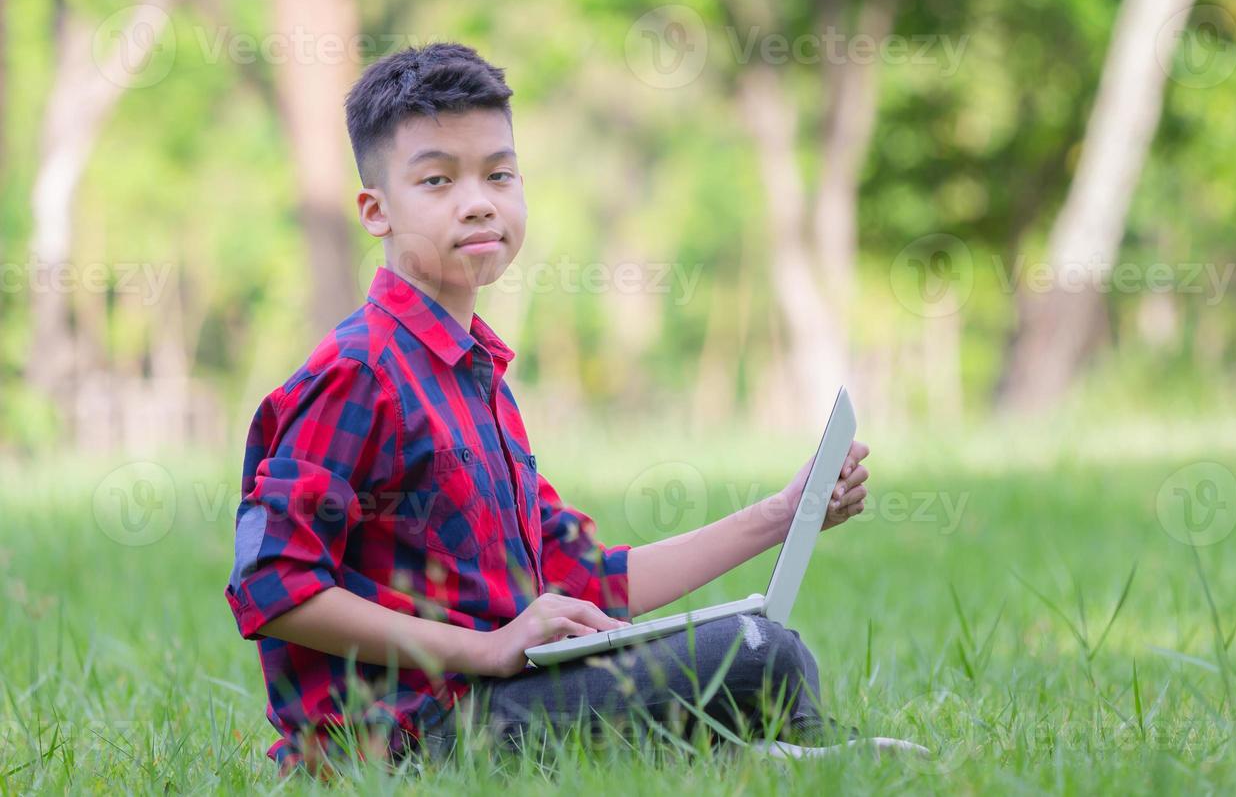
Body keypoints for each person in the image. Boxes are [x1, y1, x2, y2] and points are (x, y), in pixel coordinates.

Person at [225, 42, 922, 774]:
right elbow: (273, 586)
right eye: (437, 180)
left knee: (759, 640)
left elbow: (590, 582)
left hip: (496, 700)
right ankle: (777, 760)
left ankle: (773, 757)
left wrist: (782, 514)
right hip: (407, 743)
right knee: (754, 654)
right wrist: (488, 649)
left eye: (499, 174)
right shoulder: (359, 371)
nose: (478, 200)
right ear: (376, 210)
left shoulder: (474, 375)